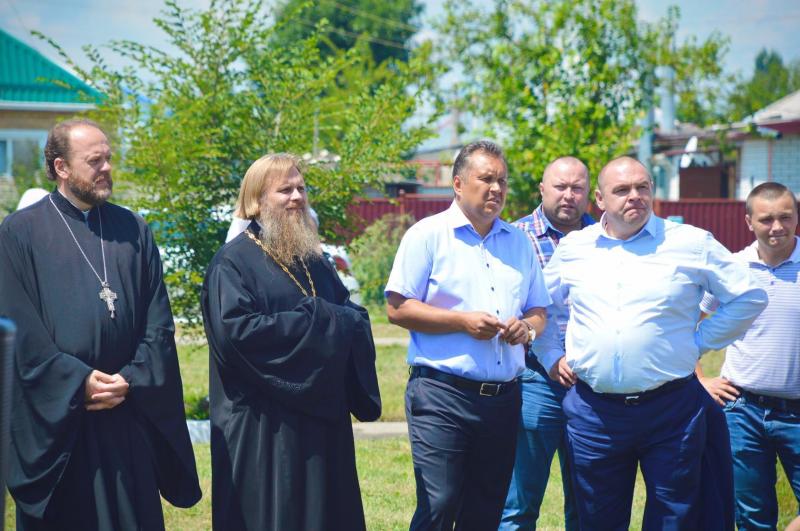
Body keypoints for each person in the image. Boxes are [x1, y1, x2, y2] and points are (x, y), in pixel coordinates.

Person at [536, 156, 767, 529]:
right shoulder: (575, 247)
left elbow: (749, 297)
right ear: (599, 199)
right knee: (596, 520)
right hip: (595, 413)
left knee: (674, 519)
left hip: (671, 410)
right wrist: (549, 354)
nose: (635, 196)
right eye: (622, 189)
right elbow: (539, 305)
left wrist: (699, 342)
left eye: (642, 187)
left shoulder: (690, 242)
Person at [0, 118, 201, 530]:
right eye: (95, 161)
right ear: (61, 167)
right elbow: (18, 327)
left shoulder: (133, 229)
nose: (107, 168)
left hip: (127, 412)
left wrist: (132, 377)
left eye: (108, 158)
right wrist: (77, 380)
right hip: (61, 421)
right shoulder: (19, 233)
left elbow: (158, 324)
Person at [202, 153, 381, 531]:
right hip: (265, 429)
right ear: (256, 201)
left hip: (321, 424)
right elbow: (237, 335)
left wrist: (336, 321)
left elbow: (350, 317)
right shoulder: (231, 264)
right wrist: (318, 320)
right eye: (285, 190)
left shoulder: (315, 260)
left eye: (301, 188)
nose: (297, 197)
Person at [385, 140, 551, 530]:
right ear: (458, 184)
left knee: (486, 510)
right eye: (486, 179)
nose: (496, 188)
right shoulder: (428, 235)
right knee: (440, 503)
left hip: (503, 399)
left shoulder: (518, 242)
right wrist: (461, 322)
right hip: (442, 394)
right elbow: (397, 308)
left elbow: (539, 311)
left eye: (502, 181)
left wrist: (526, 328)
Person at [696, 181, 800, 531]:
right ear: (748, 222)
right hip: (743, 411)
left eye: (786, 217)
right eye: (766, 219)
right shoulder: (732, 268)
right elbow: (687, 323)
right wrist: (700, 379)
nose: (777, 227)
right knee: (751, 515)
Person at [500, 156, 594, 530]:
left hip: (593, 385)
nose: (569, 195)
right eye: (560, 186)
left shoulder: (605, 237)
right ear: (542, 189)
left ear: (590, 193)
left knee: (588, 503)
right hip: (535, 379)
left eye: (577, 188)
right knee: (519, 502)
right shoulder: (514, 238)